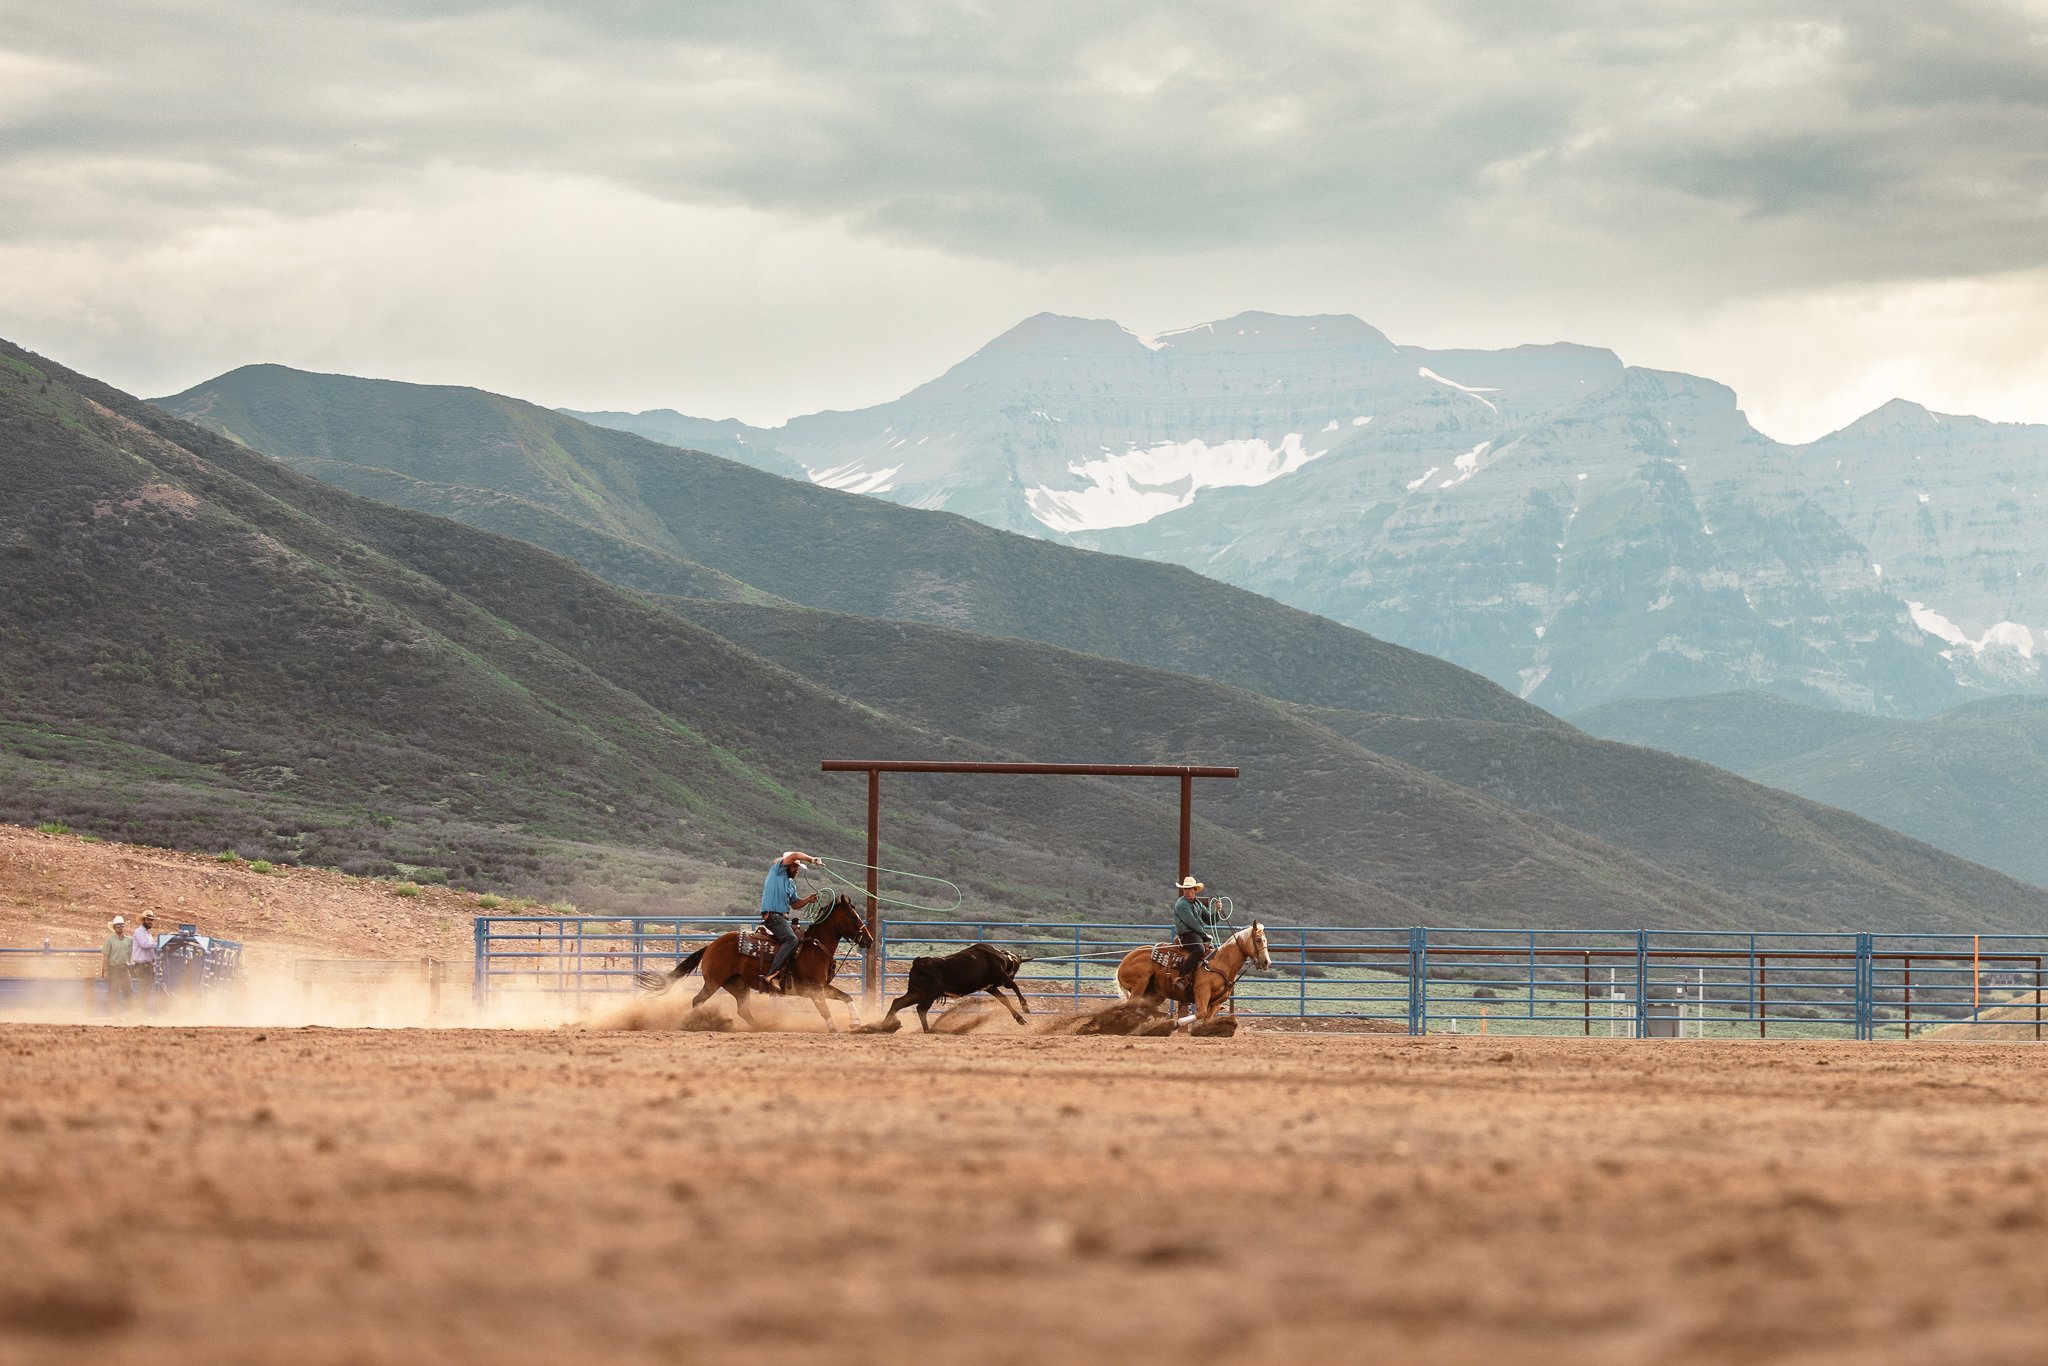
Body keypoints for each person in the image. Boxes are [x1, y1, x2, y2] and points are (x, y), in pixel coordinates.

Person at [760, 851, 819, 992]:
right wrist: (811, 859)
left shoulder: (790, 883)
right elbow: (794, 855)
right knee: (791, 940)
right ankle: (772, 975)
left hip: (781, 918)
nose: (797, 870)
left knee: (800, 941)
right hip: (773, 917)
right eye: (794, 866)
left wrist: (808, 900)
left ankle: (791, 975)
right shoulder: (777, 872)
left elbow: (795, 904)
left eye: (797, 867)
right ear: (786, 865)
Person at [1172, 875, 1220, 999]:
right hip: (1187, 934)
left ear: (1194, 890)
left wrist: (1217, 911)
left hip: (1197, 934)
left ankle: (1209, 988)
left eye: (1189, 889)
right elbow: (1192, 922)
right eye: (1185, 889)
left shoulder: (1197, 904)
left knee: (1213, 953)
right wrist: (1204, 935)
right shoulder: (1181, 904)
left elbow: (1210, 920)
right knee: (1199, 950)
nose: (1187, 891)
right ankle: (1182, 977)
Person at [100, 916, 133, 1012]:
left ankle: (131, 1013)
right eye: (118, 926)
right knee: (114, 993)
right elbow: (105, 956)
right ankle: (115, 1014)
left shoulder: (129, 940)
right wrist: (106, 971)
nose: (120, 928)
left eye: (122, 926)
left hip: (124, 969)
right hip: (113, 970)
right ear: (114, 928)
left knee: (128, 992)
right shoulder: (110, 941)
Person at [129, 910, 159, 1006]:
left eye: (151, 920)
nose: (150, 922)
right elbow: (144, 945)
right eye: (148, 920)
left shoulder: (147, 933)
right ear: (143, 920)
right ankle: (138, 1012)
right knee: (144, 989)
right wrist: (159, 945)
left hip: (147, 965)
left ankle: (139, 1012)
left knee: (146, 989)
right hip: (142, 966)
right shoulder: (139, 931)